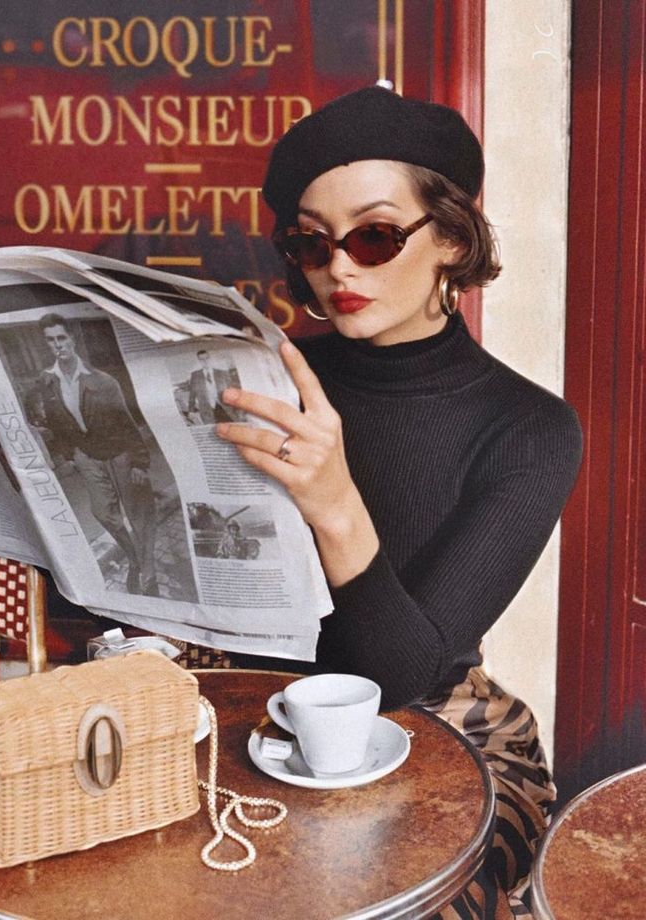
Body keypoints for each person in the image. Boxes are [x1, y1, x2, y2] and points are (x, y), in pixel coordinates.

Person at [212, 86, 583, 920]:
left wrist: (335, 505)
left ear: (450, 238)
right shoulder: (261, 378)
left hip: (440, 729)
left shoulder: (530, 429)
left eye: (374, 235)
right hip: (249, 714)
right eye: (312, 242)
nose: (339, 266)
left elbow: (393, 677)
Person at [27, 313, 160, 596]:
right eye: (50, 341)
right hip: (87, 455)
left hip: (120, 453)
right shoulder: (47, 383)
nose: (57, 345)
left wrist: (138, 461)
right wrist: (70, 455)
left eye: (61, 338)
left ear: (72, 339)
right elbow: (55, 421)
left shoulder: (103, 381)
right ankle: (135, 558)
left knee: (138, 514)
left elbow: (126, 422)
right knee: (103, 513)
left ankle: (148, 575)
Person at [186, 348, 236, 424]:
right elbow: (192, 394)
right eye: (201, 360)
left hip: (225, 408)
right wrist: (191, 410)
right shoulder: (195, 375)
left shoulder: (222, 373)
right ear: (199, 361)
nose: (205, 361)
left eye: (206, 358)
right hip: (207, 410)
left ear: (210, 359)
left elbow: (232, 391)